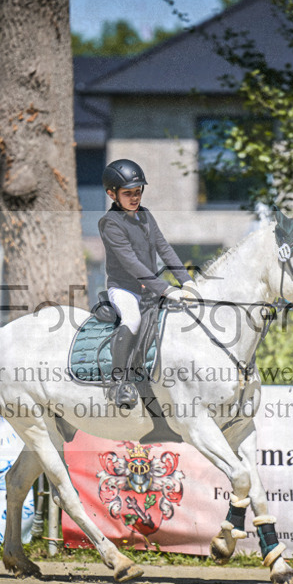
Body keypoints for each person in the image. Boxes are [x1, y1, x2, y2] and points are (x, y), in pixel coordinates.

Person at [98, 159, 195, 409]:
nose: (134, 198)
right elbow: (131, 263)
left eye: (138, 192)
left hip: (150, 288)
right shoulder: (110, 223)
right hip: (124, 288)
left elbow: (164, 249)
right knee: (132, 320)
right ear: (112, 194)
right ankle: (118, 383)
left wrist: (188, 282)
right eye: (127, 193)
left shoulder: (146, 215)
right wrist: (166, 289)